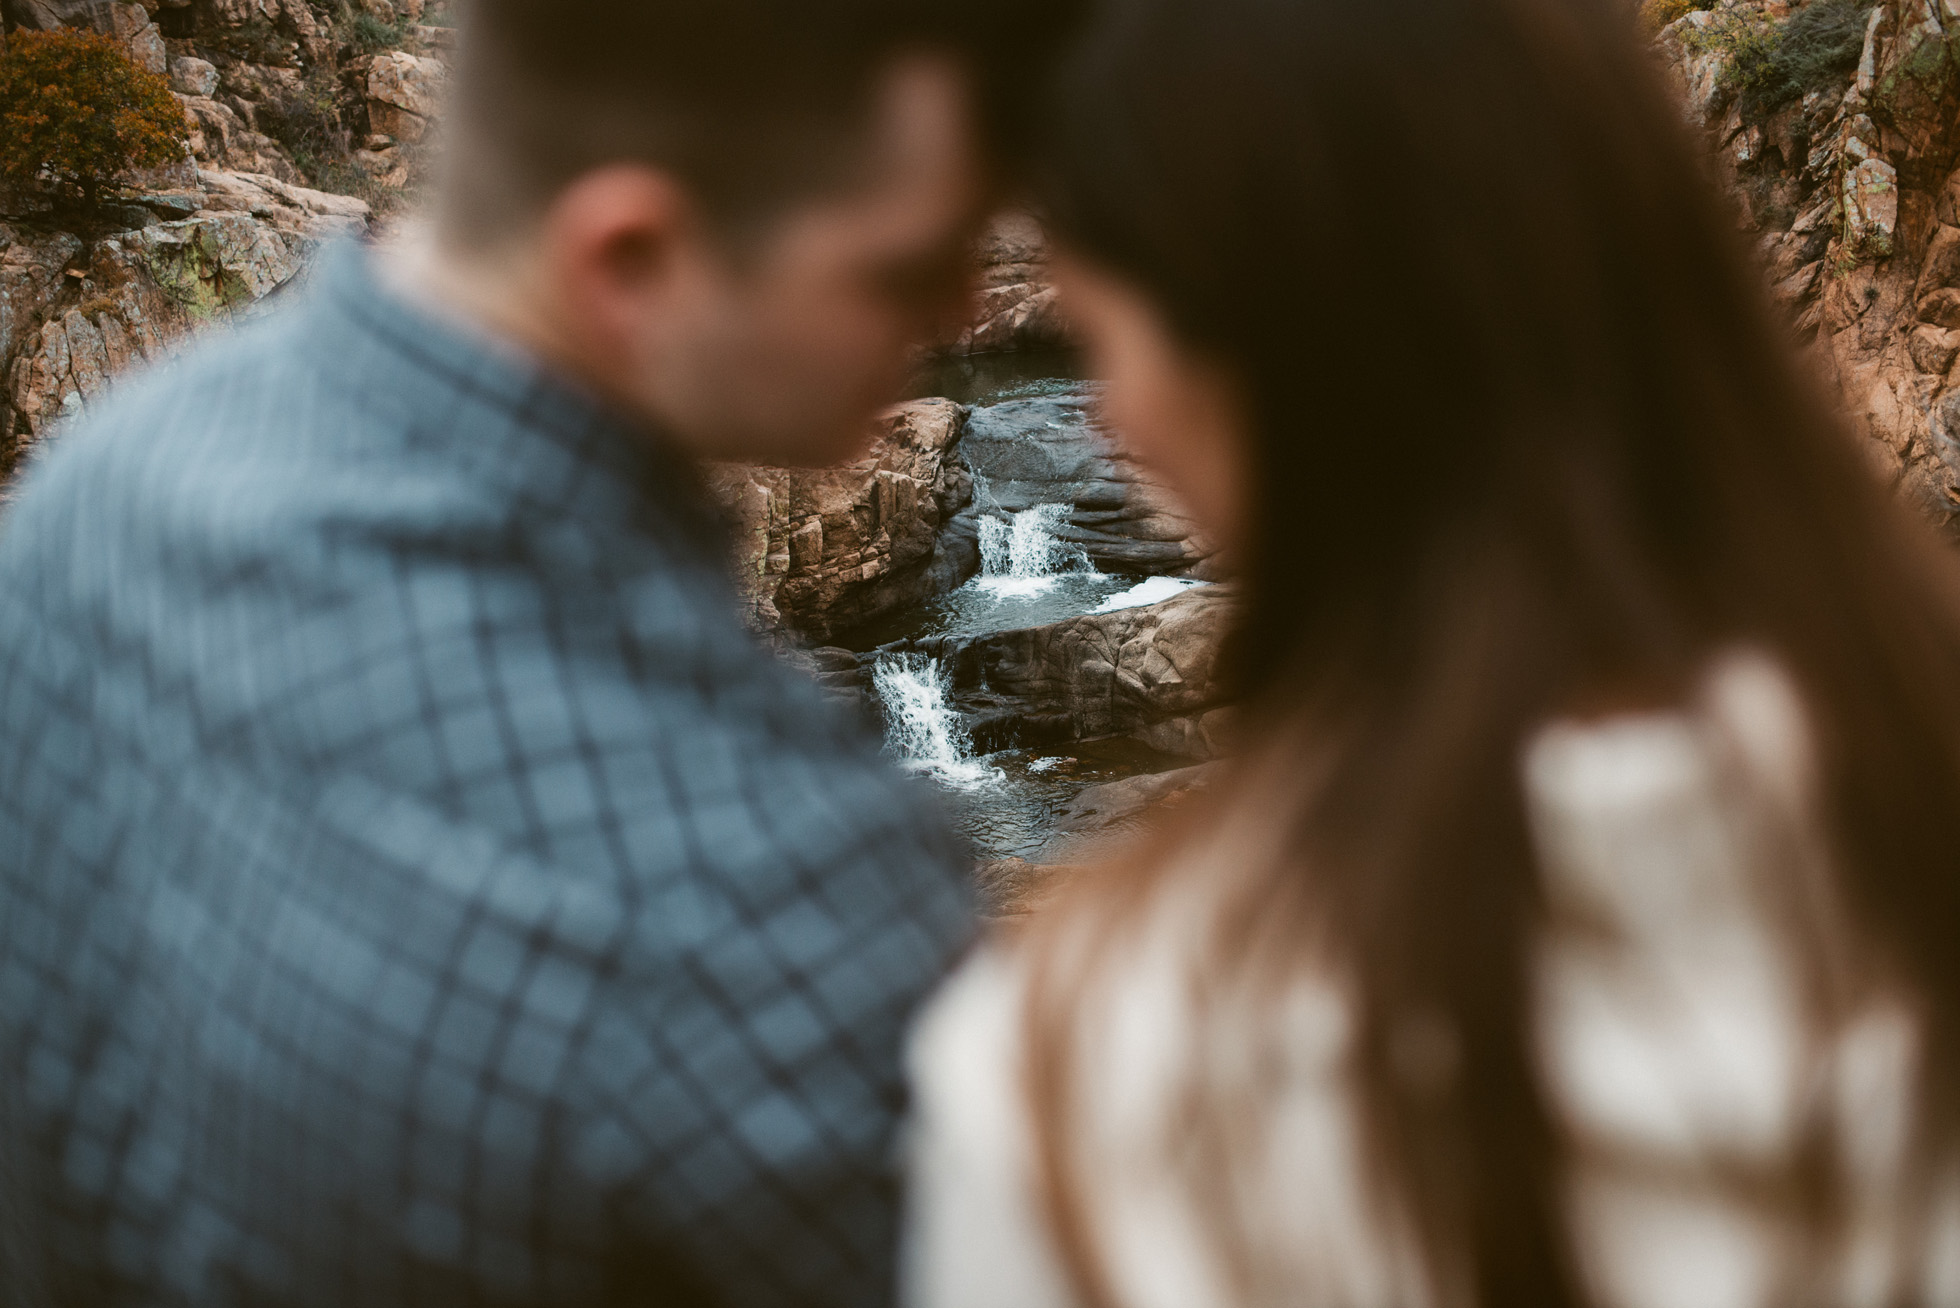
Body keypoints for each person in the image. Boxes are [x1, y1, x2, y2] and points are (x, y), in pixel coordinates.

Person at [0, 2, 1084, 1305]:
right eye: (910, 268)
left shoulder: (99, 489)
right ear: (629, 261)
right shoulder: (776, 889)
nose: (970, 309)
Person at [903, 1, 1960, 1306]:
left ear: (1277, 361)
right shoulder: (1904, 811)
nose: (1109, 419)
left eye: (1105, 344)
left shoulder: (1089, 1071)